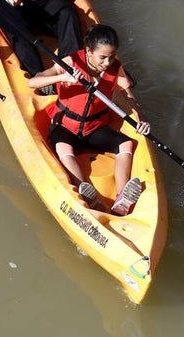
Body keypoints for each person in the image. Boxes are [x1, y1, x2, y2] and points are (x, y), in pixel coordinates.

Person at [28, 24, 151, 216]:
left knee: (126, 143)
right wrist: (63, 76)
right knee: (63, 149)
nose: (107, 62)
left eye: (111, 56)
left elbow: (129, 96)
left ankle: (122, 198)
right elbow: (33, 81)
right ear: (88, 51)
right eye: (103, 57)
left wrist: (141, 118)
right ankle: (85, 192)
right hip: (65, 126)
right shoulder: (70, 62)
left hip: (94, 127)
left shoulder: (115, 69)